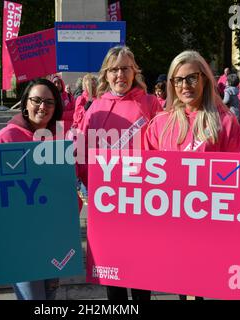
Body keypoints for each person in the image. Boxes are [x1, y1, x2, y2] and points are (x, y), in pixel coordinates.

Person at [144, 51, 240, 300]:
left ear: (205, 79)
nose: (184, 86)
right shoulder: (160, 123)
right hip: (173, 226)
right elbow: (145, 178)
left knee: (200, 288)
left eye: (191, 78)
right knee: (183, 288)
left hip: (210, 226)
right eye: (177, 80)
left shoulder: (225, 122)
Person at [0, 78, 65, 300]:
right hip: (20, 240)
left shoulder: (60, 137)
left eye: (49, 102)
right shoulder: (8, 136)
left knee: (50, 296)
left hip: (53, 236)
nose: (43, 106)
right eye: (36, 100)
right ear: (25, 103)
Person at [78, 46, 162, 301]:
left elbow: (164, 148)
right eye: (114, 69)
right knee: (112, 275)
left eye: (125, 68)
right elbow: (83, 153)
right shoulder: (96, 109)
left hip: (142, 202)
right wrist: (90, 186)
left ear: (134, 71)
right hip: (108, 204)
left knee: (140, 273)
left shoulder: (150, 103)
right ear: (106, 74)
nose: (120, 75)